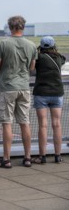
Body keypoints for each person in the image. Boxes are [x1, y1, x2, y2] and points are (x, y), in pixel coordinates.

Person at [0, 16, 37, 168]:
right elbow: (32, 68)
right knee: (25, 122)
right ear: (23, 27)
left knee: (7, 123)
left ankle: (6, 158)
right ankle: (28, 157)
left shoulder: (3, 44)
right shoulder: (31, 45)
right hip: (24, 87)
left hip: (8, 87)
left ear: (10, 27)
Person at [32, 36, 66, 164]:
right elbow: (63, 58)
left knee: (43, 125)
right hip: (57, 93)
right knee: (56, 124)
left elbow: (32, 64)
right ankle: (58, 156)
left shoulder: (39, 58)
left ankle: (42, 156)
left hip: (41, 93)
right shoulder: (59, 58)